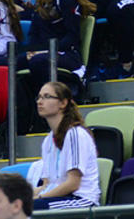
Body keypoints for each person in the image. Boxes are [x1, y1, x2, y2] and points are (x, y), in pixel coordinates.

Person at [31, 81, 100, 209]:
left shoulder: (75, 134)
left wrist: (39, 197)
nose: (40, 101)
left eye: (47, 97)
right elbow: (47, 184)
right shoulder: (48, 140)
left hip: (81, 199)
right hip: (58, 197)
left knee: (32, 208)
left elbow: (73, 184)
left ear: (63, 103)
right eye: (39, 97)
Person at [25, 0, 95, 77]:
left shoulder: (66, 0)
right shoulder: (40, 3)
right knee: (12, 62)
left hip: (66, 54)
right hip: (44, 53)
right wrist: (32, 50)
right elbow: (33, 33)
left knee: (37, 61)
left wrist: (48, 50)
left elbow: (72, 36)